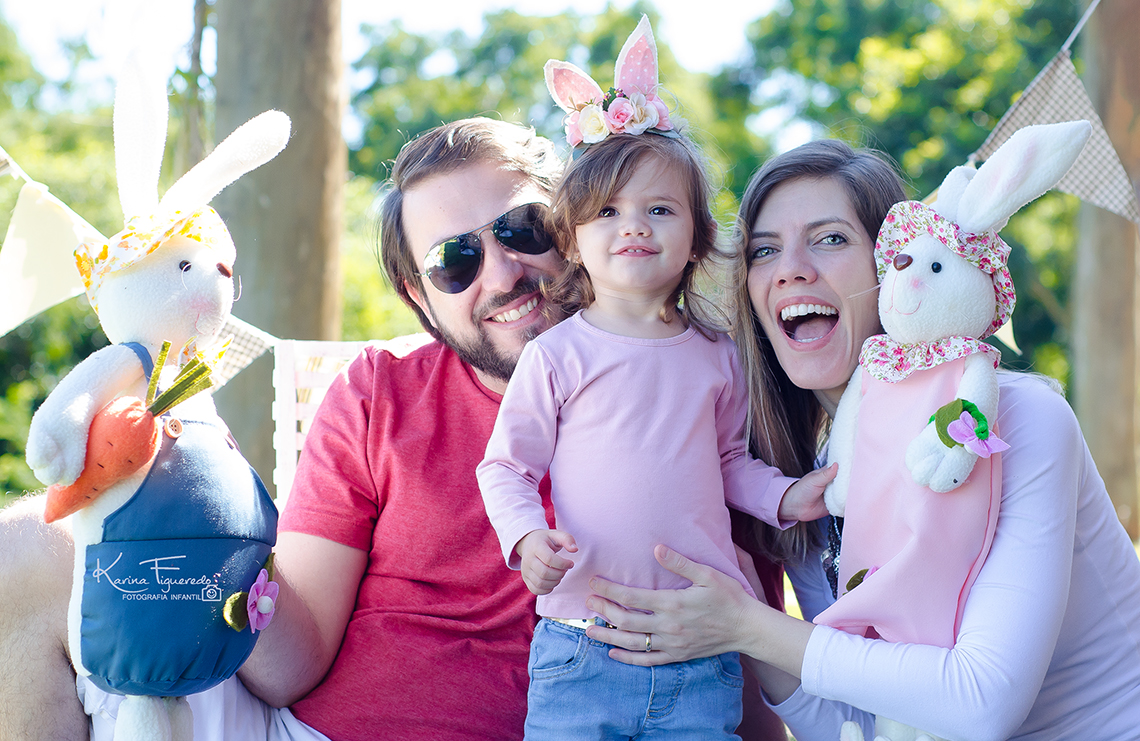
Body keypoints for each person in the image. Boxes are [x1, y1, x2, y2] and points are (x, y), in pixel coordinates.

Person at [0, 117, 788, 740]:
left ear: (575, 225)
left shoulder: (698, 381)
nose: (503, 273)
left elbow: (749, 679)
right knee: (27, 544)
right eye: (456, 260)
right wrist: (209, 532)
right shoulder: (378, 393)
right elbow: (289, 667)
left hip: (608, 712)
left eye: (523, 228)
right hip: (315, 730)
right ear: (420, 295)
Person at [579, 139, 1140, 740]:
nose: (791, 268)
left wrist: (748, 627)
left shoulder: (1013, 419)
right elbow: (857, 726)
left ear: (896, 263)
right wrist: (739, 608)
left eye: (830, 238)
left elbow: (983, 705)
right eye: (765, 251)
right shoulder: (809, 484)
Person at [478, 121, 832, 736]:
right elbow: (507, 466)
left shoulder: (718, 355)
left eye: (660, 209)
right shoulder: (558, 355)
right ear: (574, 237)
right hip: (583, 641)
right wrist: (526, 537)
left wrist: (783, 495)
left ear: (697, 238)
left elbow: (726, 463)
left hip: (697, 640)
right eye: (609, 210)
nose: (635, 225)